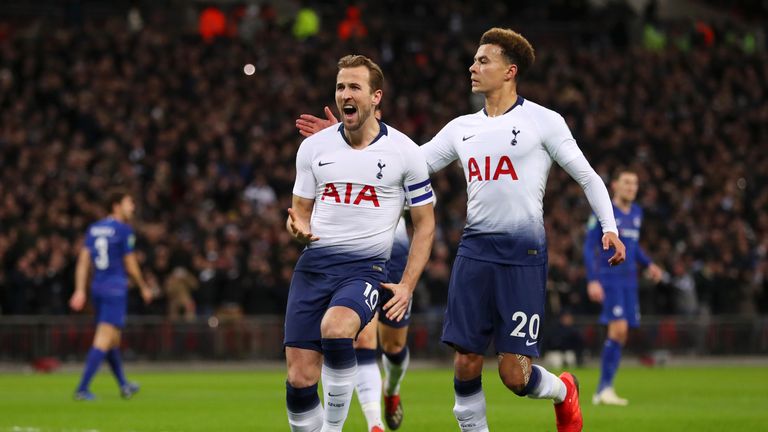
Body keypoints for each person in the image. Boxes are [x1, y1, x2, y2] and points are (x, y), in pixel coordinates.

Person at [296, 27, 627, 432]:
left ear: (510, 71)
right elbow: (405, 163)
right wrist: (342, 142)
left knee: (515, 376)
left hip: (522, 258)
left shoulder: (543, 122)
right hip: (474, 254)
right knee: (466, 361)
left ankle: (563, 390)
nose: (473, 67)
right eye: (473, 60)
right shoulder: (461, 128)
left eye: (483, 61)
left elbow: (588, 177)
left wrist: (609, 226)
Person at [284, 54, 435, 432]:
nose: (345, 94)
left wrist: (407, 285)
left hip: (365, 270)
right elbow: (299, 211)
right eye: (340, 87)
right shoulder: (314, 148)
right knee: (300, 379)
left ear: (375, 97)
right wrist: (297, 227)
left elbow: (425, 225)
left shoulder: (405, 152)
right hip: (313, 268)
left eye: (354, 87)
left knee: (338, 328)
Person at [299, 107, 414, 431]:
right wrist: (335, 143)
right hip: (357, 257)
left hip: (395, 254)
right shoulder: (332, 150)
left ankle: (392, 389)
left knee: (394, 346)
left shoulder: (400, 151)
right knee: (362, 341)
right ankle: (375, 423)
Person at [584, 169, 663, 406]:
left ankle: (605, 389)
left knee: (623, 333)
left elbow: (633, 246)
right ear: (615, 186)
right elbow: (589, 247)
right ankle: (603, 389)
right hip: (610, 278)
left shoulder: (637, 212)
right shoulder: (604, 212)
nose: (631, 187)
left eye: (635, 183)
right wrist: (593, 279)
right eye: (627, 182)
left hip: (630, 280)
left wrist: (649, 264)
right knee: (618, 329)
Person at [69, 189, 153, 401]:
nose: (132, 207)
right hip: (115, 288)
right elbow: (130, 263)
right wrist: (143, 286)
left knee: (113, 340)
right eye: (129, 203)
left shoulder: (94, 228)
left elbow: (83, 262)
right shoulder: (124, 230)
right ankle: (82, 388)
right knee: (104, 338)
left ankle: (124, 385)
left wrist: (80, 289)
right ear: (116, 205)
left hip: (97, 288)